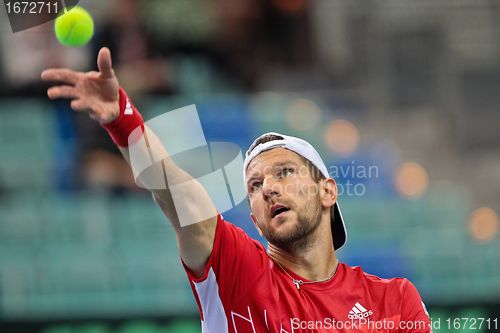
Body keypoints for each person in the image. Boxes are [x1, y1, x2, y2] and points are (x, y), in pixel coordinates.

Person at [42, 47, 432, 333]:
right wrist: (124, 122)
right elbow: (180, 196)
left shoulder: (394, 300)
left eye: (284, 172)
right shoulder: (240, 272)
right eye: (255, 185)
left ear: (328, 191)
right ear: (254, 220)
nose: (268, 190)